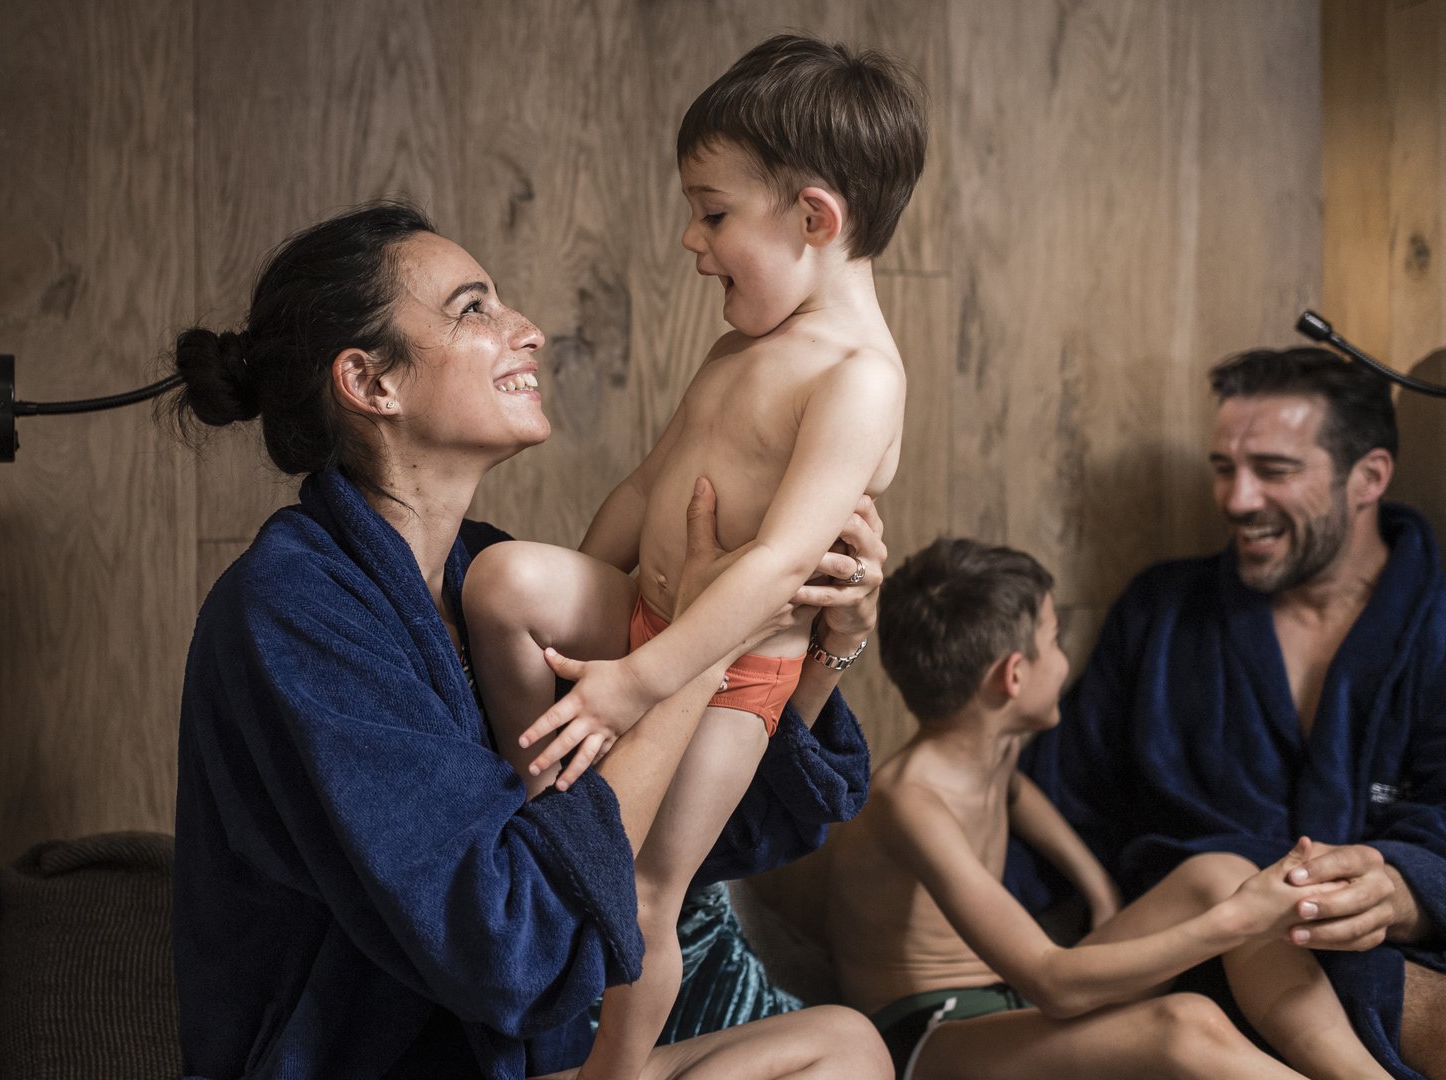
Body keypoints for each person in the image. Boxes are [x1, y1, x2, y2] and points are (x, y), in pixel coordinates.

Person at [168, 200, 892, 1079]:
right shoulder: (294, 612)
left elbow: (691, 834)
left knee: (846, 1048)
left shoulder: (484, 579)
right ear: (370, 383)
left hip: (530, 1059)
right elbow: (509, 943)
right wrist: (710, 639)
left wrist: (825, 640)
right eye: (474, 309)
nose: (530, 331)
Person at [463, 34, 924, 1080]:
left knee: (644, 896)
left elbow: (774, 570)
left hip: (732, 679)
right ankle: (537, 790)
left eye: (714, 213)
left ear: (815, 219)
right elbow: (642, 489)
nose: (690, 237)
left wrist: (639, 680)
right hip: (644, 619)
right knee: (499, 582)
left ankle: (610, 1071)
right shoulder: (736, 348)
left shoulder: (859, 379)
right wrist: (595, 612)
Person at [1021, 347, 1446, 1079]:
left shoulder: (1437, 625)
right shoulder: (1163, 616)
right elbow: (1056, 802)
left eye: (1274, 471)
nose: (1237, 499)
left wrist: (1406, 887)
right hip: (1190, 970)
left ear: (1368, 478)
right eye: (1223, 468)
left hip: (1389, 961)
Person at [827, 537, 1346, 1079]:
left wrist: (1096, 883)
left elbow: (1016, 794)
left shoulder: (987, 745)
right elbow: (1051, 983)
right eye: (1054, 641)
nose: (1063, 659)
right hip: (924, 1035)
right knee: (1184, 1023)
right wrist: (1237, 922)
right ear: (1014, 676)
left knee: (1219, 873)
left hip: (1005, 998)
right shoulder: (909, 801)